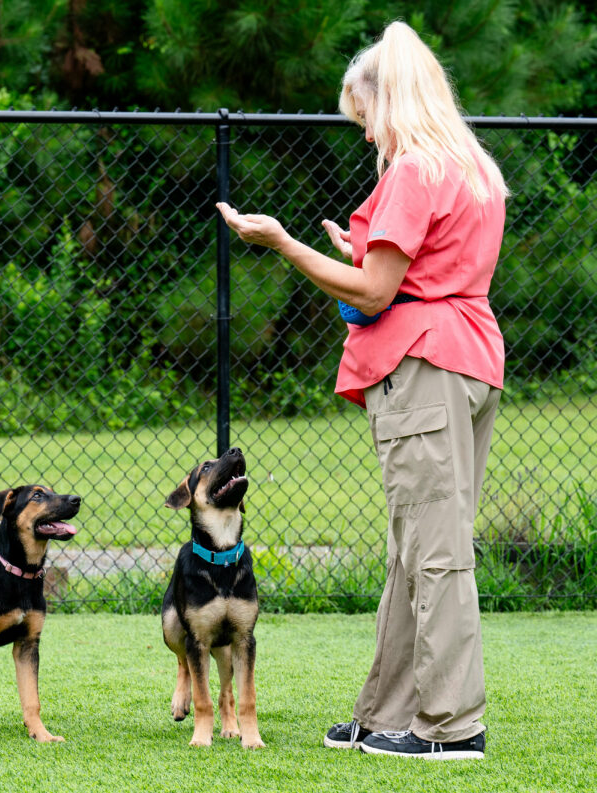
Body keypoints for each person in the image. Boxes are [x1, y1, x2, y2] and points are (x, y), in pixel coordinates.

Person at [216, 20, 506, 760]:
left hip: (423, 365)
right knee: (415, 545)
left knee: (435, 552)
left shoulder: (413, 169)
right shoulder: (473, 166)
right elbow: (429, 271)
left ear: (390, 102)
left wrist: (286, 245)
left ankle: (449, 726)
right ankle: (385, 713)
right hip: (469, 356)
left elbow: (377, 293)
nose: (367, 136)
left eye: (365, 118)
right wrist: (361, 253)